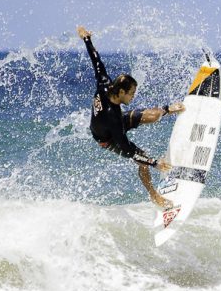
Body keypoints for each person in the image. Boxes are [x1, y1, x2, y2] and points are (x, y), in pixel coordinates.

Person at [77, 26, 185, 208]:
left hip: (113, 123)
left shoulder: (105, 84)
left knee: (151, 115)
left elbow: (96, 61)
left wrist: (87, 39)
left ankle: (168, 109)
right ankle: (154, 196)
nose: (133, 97)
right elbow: (127, 149)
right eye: (131, 93)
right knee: (141, 158)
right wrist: (154, 163)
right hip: (107, 137)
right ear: (120, 92)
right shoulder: (112, 118)